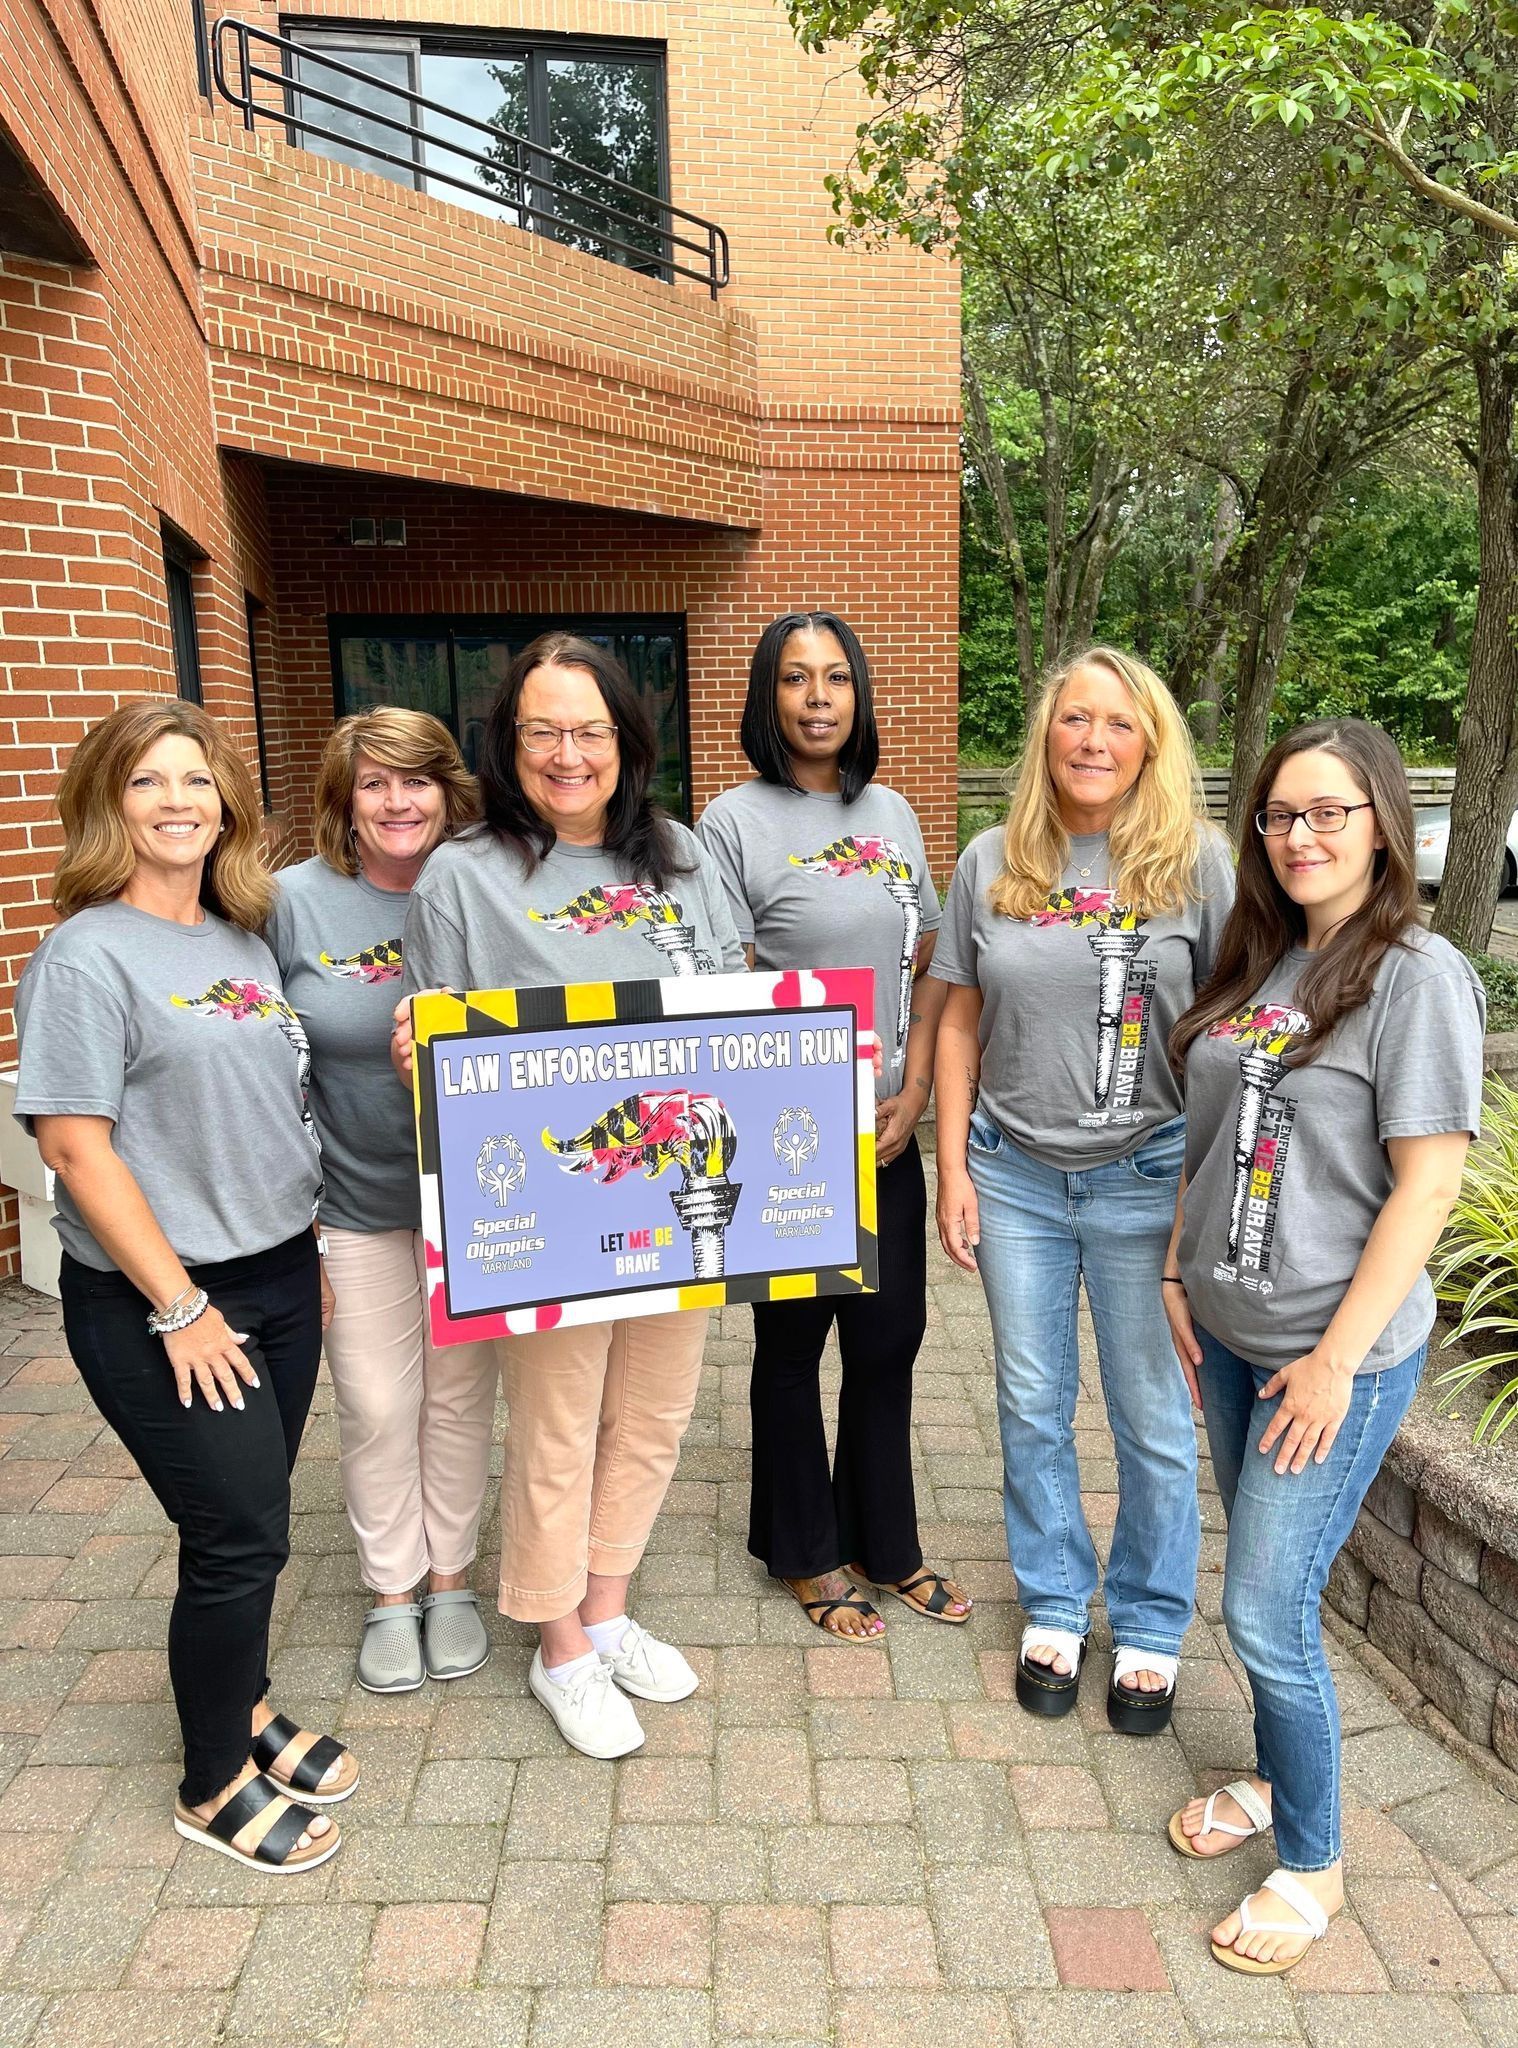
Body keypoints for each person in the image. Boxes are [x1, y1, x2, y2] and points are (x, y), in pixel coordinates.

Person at [14, 699, 355, 1873]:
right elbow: (74, 1146)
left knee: (256, 1517)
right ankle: (212, 1780)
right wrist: (181, 1305)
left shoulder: (240, 937)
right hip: (165, 1301)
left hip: (279, 1270)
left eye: (198, 781)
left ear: (226, 805)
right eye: (150, 780)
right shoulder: (85, 952)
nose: (177, 801)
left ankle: (247, 1706)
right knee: (237, 1533)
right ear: (109, 801)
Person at [1163, 719, 1482, 1975]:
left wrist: (1341, 1357)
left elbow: (1427, 1189)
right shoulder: (1260, 961)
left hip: (1325, 1356)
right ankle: (1267, 1766)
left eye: (1329, 812)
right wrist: (1174, 1268)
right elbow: (1208, 1137)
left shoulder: (1416, 973)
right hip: (1235, 1335)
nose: (1299, 836)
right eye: (1280, 815)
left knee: (1264, 1605)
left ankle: (1312, 1858)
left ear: (1382, 821)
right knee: (1263, 1584)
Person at [395, 631, 745, 1758]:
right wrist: (419, 1049)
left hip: (680, 1190)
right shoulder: (463, 873)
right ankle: (559, 1647)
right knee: (556, 1423)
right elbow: (436, 1027)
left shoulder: (681, 857)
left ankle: (607, 1605)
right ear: (509, 743)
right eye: (541, 730)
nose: (566, 752)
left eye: (589, 728)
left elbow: (743, 1010)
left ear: (625, 740)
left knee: (652, 1412)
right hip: (554, 1205)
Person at [933, 647, 1234, 1733]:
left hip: (1150, 1177)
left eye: (1117, 721)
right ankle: (1057, 1598)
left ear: (1150, 739)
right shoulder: (994, 858)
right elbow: (959, 1011)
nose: (1093, 740)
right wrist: (952, 1165)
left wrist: (1207, 1192)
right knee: (1030, 1401)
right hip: (1013, 1174)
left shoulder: (1198, 864)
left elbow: (1235, 1025)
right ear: (1046, 734)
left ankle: (1151, 1621)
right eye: (1074, 718)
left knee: (1154, 1415)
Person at [698, 611, 970, 1640]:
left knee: (890, 1334)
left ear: (859, 696)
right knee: (792, 1342)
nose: (819, 697)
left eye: (837, 679)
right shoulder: (730, 823)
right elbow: (719, 978)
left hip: (890, 1121)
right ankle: (804, 1547)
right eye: (797, 679)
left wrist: (915, 1090)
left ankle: (885, 1540)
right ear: (768, 696)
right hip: (789, 1132)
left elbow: (931, 950)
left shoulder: (892, 810)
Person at [267, 709, 501, 1694]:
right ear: (343, 799)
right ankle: (390, 1590)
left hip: (481, 1204)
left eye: (416, 780)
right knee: (374, 1402)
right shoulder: (289, 903)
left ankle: (450, 1580)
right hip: (351, 1201)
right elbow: (262, 1058)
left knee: (457, 1400)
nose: (398, 801)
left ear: (450, 792)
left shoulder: (490, 889)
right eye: (373, 782)